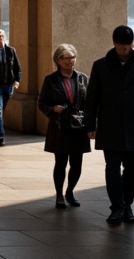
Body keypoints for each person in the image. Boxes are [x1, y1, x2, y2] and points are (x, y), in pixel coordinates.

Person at [86, 25, 134, 225]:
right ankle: (117, 207)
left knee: (132, 168)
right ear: (114, 43)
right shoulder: (100, 66)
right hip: (109, 125)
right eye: (120, 46)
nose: (123, 50)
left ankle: (127, 204)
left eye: (126, 47)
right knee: (112, 167)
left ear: (132, 44)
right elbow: (92, 98)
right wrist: (90, 125)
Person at [39, 43, 91, 209]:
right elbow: (42, 103)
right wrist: (53, 109)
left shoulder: (83, 78)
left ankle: (70, 191)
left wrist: (92, 125)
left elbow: (90, 103)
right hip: (60, 127)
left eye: (72, 57)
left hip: (79, 127)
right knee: (60, 162)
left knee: (77, 164)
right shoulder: (51, 80)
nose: (70, 61)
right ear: (58, 60)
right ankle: (59, 194)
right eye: (66, 58)